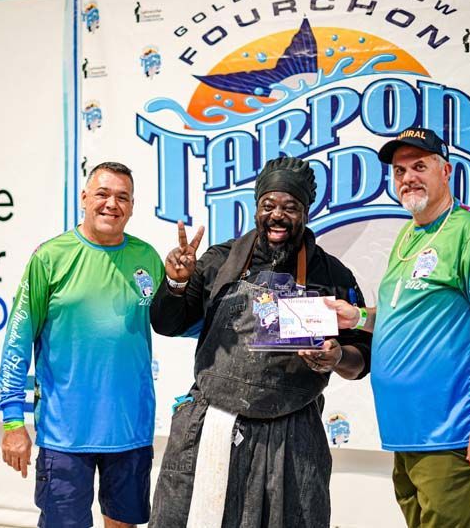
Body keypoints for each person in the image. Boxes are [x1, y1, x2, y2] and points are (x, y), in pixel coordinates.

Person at [148, 157, 372, 527]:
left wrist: (337, 357)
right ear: (256, 208)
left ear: (305, 212)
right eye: (268, 205)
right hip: (214, 425)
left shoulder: (331, 274)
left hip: (293, 435)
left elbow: (361, 358)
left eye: (290, 207)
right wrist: (176, 283)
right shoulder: (219, 261)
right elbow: (167, 324)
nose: (277, 216)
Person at [327, 127, 470, 527]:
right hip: (407, 433)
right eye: (399, 170)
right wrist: (358, 317)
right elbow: (405, 315)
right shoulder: (409, 234)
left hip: (453, 433)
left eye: (419, 166)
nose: (408, 177)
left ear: (445, 170)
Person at [0, 162, 164, 528]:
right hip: (65, 434)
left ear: (133, 206)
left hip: (130, 430)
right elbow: (17, 341)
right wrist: (13, 421)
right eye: (102, 194)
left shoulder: (148, 258)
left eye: (122, 197)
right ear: (84, 198)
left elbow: (177, 321)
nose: (111, 204)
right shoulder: (50, 257)